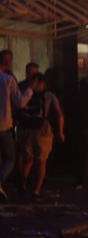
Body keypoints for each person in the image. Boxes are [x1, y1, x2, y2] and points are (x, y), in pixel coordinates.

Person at [16, 72, 64, 200]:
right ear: (43, 83)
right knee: (42, 161)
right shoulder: (49, 95)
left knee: (29, 158)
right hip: (43, 131)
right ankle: (36, 190)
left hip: (26, 130)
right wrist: (60, 132)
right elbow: (59, 114)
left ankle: (23, 182)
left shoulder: (25, 93)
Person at [0, 50, 38, 202]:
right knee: (10, 159)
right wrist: (31, 89)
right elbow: (20, 102)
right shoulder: (9, 80)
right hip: (4, 125)